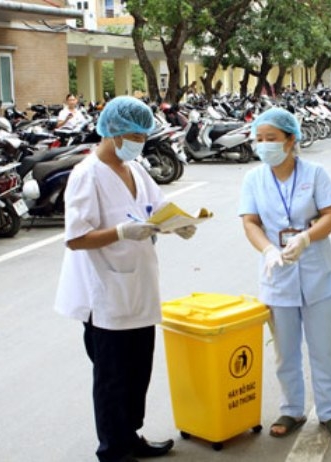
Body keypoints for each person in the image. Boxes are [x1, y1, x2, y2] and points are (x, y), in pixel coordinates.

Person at [53, 96, 197, 462]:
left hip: (139, 288)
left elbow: (158, 209)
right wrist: (120, 232)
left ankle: (131, 436)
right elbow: (76, 237)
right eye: (134, 135)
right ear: (113, 132)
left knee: (137, 371)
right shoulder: (87, 175)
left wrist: (178, 224)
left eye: (143, 136)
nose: (139, 142)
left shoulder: (136, 169)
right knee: (112, 378)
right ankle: (113, 450)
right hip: (105, 293)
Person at [238, 107, 331, 442]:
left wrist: (305, 238)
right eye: (259, 139)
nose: (264, 145)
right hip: (277, 274)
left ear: (290, 140)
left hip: (318, 274)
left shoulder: (315, 173)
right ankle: (291, 409)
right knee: (285, 352)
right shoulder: (253, 179)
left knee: (323, 350)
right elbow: (250, 222)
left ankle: (330, 412)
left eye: (271, 138)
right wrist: (268, 250)